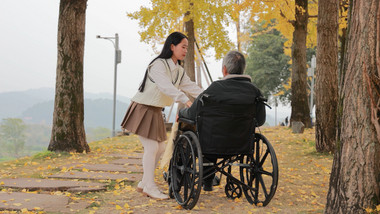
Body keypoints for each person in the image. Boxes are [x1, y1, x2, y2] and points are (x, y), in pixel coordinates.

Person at [121, 32, 203, 200]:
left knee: (160, 148)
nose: (186, 50)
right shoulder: (158, 65)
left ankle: (145, 183)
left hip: (156, 111)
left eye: (187, 47)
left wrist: (210, 96)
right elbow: (166, 87)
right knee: (151, 148)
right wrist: (186, 101)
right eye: (183, 46)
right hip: (143, 108)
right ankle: (150, 186)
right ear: (172, 47)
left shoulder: (179, 71)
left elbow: (192, 86)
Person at [179, 50, 264, 191]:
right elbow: (259, 121)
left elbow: (193, 113)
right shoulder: (254, 92)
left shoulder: (214, 89)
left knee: (202, 134)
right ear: (243, 69)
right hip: (241, 145)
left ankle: (198, 180)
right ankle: (208, 181)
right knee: (209, 134)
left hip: (212, 145)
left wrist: (182, 112)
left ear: (224, 69)